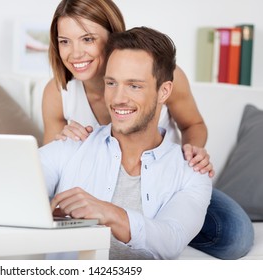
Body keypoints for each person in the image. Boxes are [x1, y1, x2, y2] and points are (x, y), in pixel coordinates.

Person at [0, 26, 212, 259]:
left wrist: (109, 212)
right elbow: (4, 189)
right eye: (111, 83)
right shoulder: (71, 147)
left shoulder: (191, 171)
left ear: (164, 92)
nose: (118, 98)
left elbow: (171, 239)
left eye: (134, 85)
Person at [41, 0, 253, 259]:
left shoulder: (162, 73)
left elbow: (193, 124)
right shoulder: (59, 92)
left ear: (112, 37)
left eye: (87, 39)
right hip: (96, 184)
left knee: (234, 232)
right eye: (65, 41)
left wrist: (192, 154)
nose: (75, 53)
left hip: (161, 178)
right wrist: (63, 140)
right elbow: (44, 171)